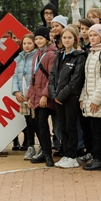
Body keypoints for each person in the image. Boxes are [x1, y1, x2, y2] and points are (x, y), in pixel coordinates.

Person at [48, 26, 86, 169]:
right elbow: (52, 76)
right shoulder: (59, 54)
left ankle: (72, 156)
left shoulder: (79, 56)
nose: (67, 40)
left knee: (71, 127)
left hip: (70, 97)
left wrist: (61, 95)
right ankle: (65, 154)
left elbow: (75, 80)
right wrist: (53, 94)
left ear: (75, 39)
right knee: (62, 127)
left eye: (70, 37)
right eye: (64, 37)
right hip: (58, 98)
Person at [79, 24, 101, 171]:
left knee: (98, 131)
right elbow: (87, 79)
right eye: (90, 35)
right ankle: (96, 158)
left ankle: (100, 160)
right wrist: (83, 97)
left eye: (95, 35)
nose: (92, 38)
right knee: (93, 131)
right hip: (88, 98)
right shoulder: (92, 52)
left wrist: (96, 100)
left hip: (97, 100)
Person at [26, 26, 57, 167]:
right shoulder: (36, 54)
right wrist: (29, 93)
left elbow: (52, 77)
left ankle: (48, 155)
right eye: (36, 38)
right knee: (36, 123)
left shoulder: (51, 54)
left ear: (47, 38)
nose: (38, 41)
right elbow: (33, 76)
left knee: (43, 124)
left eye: (41, 38)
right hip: (35, 95)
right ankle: (44, 151)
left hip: (45, 95)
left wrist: (45, 95)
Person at [11, 34, 38, 161]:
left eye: (29, 43)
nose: (26, 46)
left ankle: (42, 146)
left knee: (36, 121)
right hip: (22, 96)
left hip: (33, 95)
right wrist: (16, 91)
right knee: (28, 122)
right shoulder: (20, 58)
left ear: (34, 44)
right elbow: (15, 76)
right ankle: (30, 146)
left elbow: (37, 77)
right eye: (24, 43)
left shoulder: (37, 57)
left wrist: (30, 92)